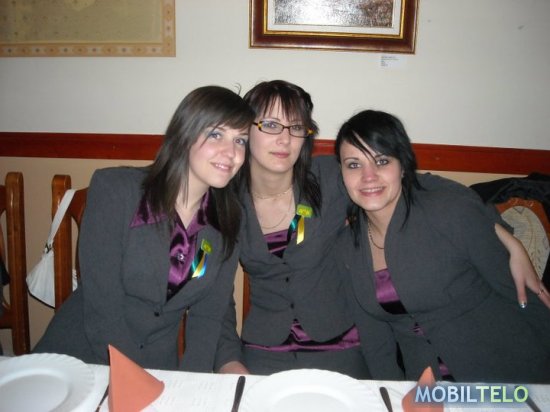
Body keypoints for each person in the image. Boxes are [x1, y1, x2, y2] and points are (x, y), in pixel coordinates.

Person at [213, 80, 544, 378]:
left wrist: (502, 234)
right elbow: (217, 293)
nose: (284, 138)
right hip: (263, 349)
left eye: (296, 127)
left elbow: (417, 183)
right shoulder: (225, 201)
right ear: (247, 129)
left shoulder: (330, 178)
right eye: (271, 125)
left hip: (339, 344)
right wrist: (228, 358)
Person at [34, 86, 255, 372]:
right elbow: (104, 308)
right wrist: (134, 381)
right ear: (185, 133)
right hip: (81, 358)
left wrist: (193, 384)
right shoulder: (116, 191)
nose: (231, 152)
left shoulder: (229, 220)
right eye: (216, 134)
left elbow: (208, 317)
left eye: (240, 140)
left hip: (157, 367)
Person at [334, 109, 550, 383]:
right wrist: (387, 392)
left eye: (382, 161)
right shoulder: (347, 247)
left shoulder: (449, 213)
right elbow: (376, 341)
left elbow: (519, 295)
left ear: (403, 166)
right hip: (428, 387)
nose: (368, 176)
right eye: (354, 165)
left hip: (507, 375)